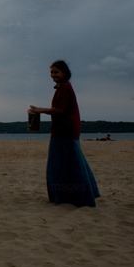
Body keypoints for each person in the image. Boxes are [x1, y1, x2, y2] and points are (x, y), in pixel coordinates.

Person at [29, 60, 101, 207]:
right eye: (51, 72)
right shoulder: (63, 87)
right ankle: (74, 195)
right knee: (72, 164)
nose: (53, 75)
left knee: (62, 165)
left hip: (65, 132)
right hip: (67, 131)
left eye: (56, 72)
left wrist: (40, 110)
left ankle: (75, 197)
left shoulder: (65, 87)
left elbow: (60, 110)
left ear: (65, 73)